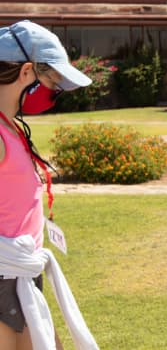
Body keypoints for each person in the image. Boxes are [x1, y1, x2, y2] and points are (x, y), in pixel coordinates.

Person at [0, 20, 98, 350]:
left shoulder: (10, 127)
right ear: (26, 73)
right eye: (51, 80)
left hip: (21, 277)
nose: (53, 93)